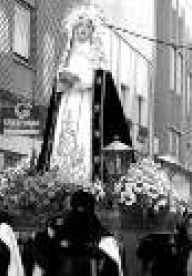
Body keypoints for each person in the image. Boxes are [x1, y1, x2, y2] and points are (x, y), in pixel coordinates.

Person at [37, 4, 132, 182]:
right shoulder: (67, 57)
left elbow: (102, 81)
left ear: (92, 31)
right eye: (79, 27)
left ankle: (83, 178)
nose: (82, 30)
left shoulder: (95, 56)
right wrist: (62, 83)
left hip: (87, 105)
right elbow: (59, 85)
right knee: (62, 135)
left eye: (87, 27)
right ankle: (58, 176)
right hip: (67, 105)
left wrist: (82, 83)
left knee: (83, 138)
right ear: (72, 30)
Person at [31, 190, 123, 276]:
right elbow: (98, 234)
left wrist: (59, 239)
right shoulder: (79, 217)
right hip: (73, 257)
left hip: (73, 258)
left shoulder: (74, 217)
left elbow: (94, 234)